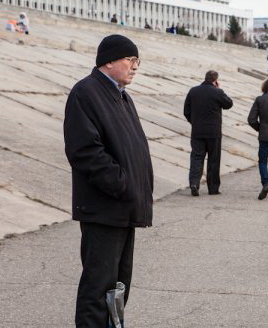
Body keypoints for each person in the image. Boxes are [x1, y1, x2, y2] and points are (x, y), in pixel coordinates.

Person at [64, 34, 153, 327]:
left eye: (137, 60)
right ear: (110, 60)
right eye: (131, 59)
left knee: (118, 288)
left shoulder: (121, 97)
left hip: (124, 209)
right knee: (98, 288)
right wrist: (123, 185)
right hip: (105, 209)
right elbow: (85, 151)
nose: (135, 66)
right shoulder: (86, 93)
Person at [184, 70, 233, 196]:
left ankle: (194, 184)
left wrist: (194, 122)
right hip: (213, 132)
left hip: (197, 131)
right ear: (215, 80)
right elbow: (229, 104)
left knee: (196, 157)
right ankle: (213, 188)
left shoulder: (193, 91)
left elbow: (186, 111)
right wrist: (219, 89)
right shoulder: (218, 92)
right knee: (213, 159)